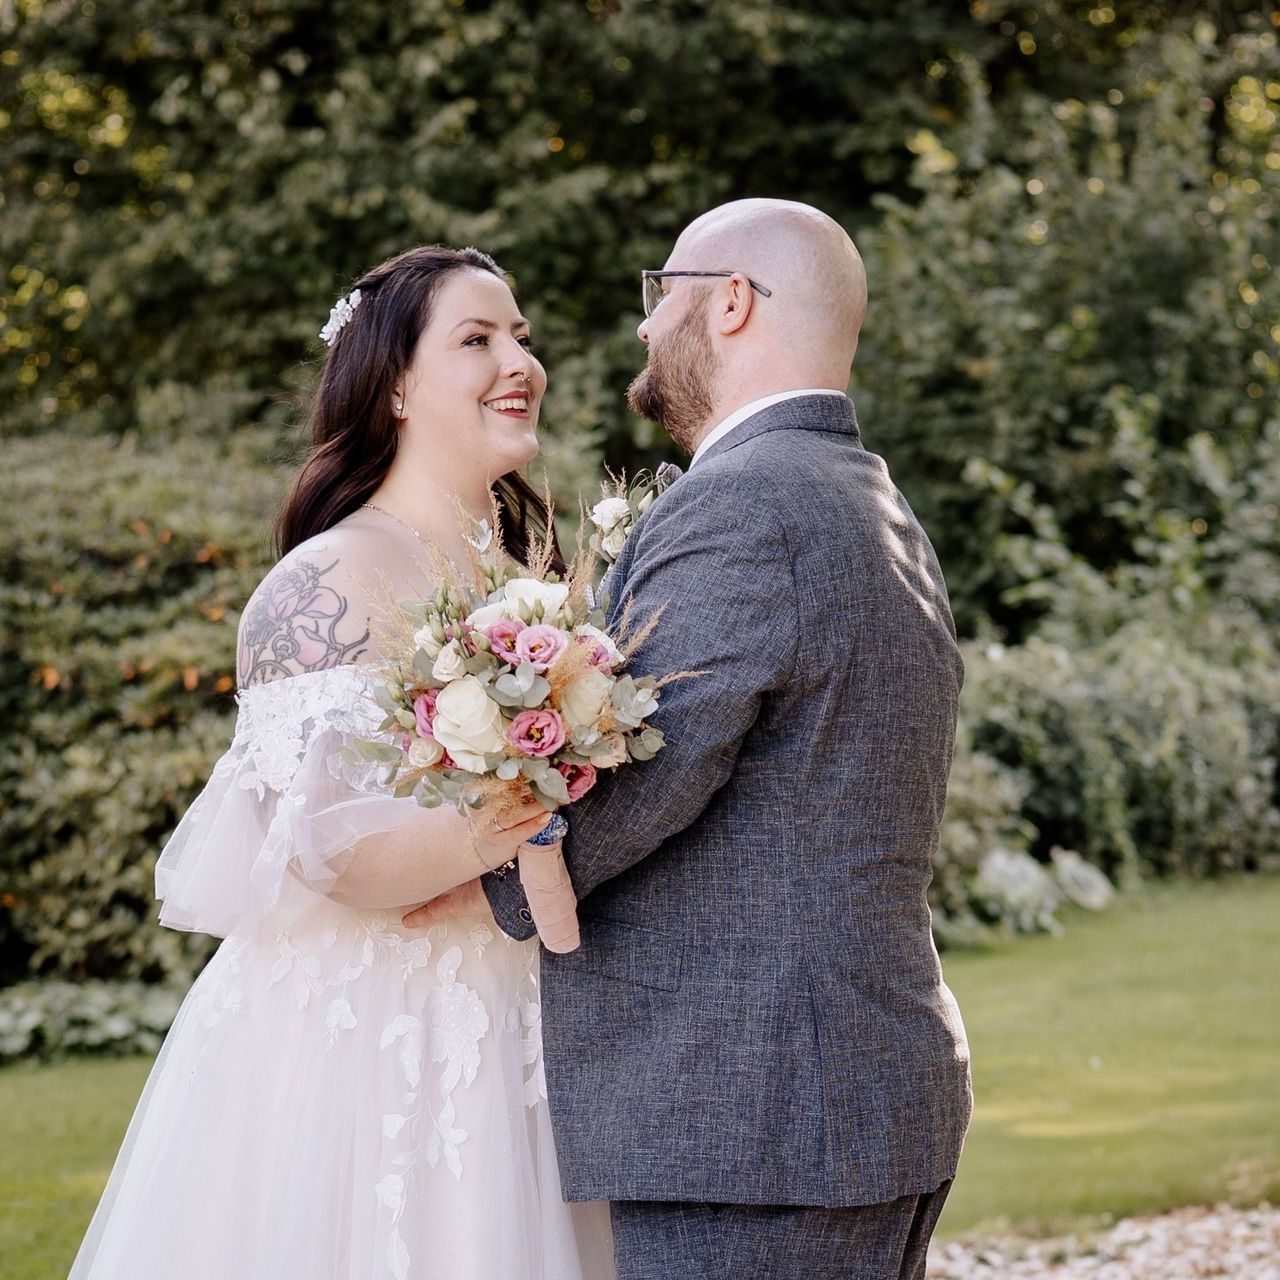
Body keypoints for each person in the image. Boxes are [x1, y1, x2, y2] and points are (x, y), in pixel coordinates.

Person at [67, 246, 615, 1280]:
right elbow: (326, 847)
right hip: (368, 1042)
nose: (519, 361)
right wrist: (513, 819)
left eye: (521, 337)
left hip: (526, 1020)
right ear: (396, 383)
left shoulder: (534, 582)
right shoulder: (324, 581)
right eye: (477, 339)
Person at [463, 199, 973, 1280]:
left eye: (663, 293)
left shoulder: (741, 505)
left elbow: (636, 783)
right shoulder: (866, 496)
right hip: (849, 1093)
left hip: (754, 1119)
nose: (646, 329)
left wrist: (484, 856)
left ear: (730, 302)